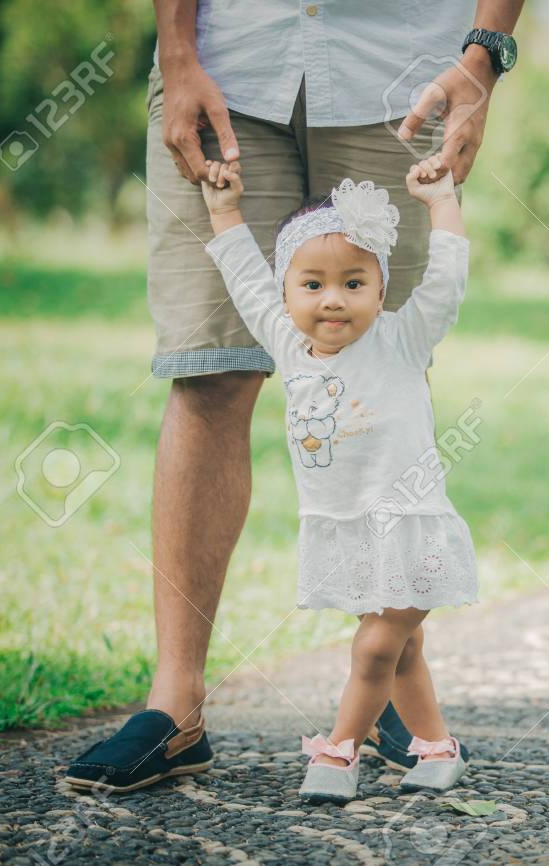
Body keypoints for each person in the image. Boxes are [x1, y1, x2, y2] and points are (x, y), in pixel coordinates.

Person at [63, 0, 522, 795]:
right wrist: (176, 50)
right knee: (207, 367)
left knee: (391, 360)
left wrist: (485, 49)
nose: (331, 296)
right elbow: (242, 276)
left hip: (400, 66)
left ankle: (389, 699)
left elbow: (435, 292)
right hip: (228, 62)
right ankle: (176, 707)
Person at [194, 156, 474, 801]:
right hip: (346, 532)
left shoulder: (403, 341)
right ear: (288, 292)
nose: (333, 300)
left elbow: (448, 278)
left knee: (375, 649)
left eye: (353, 282)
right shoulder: (288, 349)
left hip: (409, 526)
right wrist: (223, 210)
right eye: (313, 285)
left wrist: (441, 204)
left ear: (380, 290)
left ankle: (339, 750)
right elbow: (243, 278)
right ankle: (437, 747)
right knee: (402, 651)